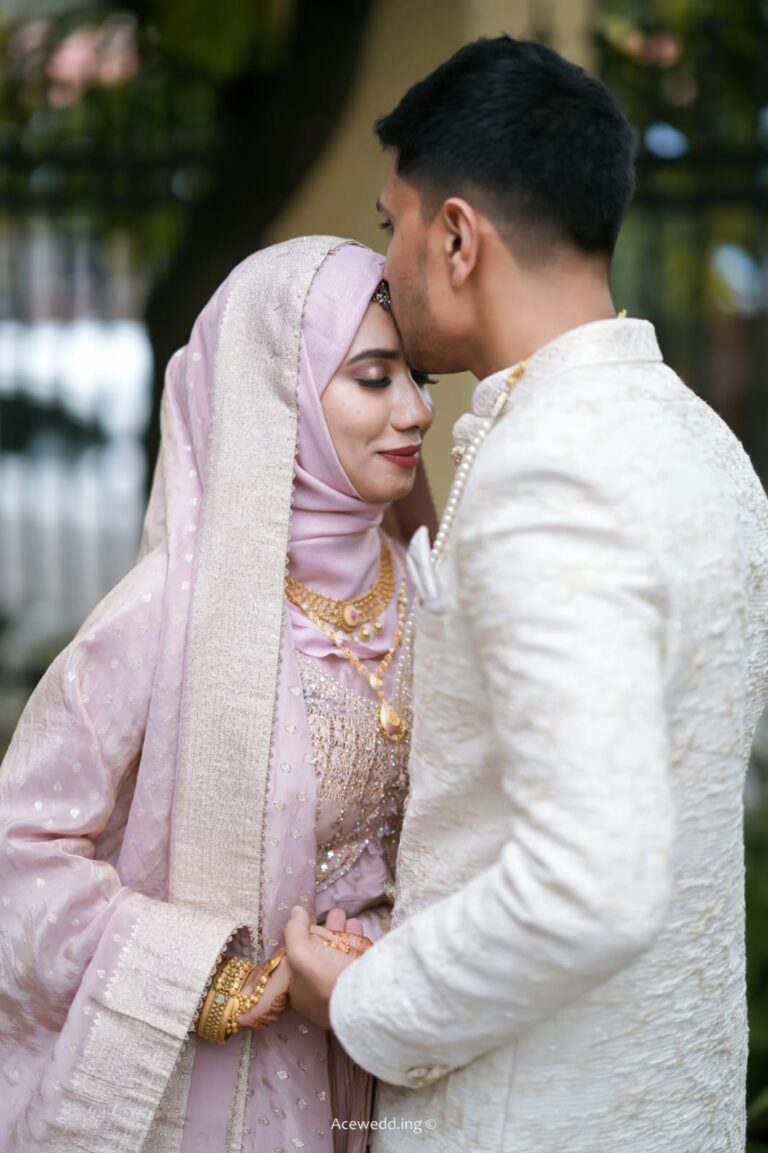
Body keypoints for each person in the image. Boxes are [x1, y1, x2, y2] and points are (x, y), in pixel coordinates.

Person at [284, 37, 768, 1152]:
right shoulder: (700, 441)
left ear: (455, 236)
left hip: (529, 1116)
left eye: (389, 225)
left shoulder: (549, 472)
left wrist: (363, 1005)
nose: (387, 264)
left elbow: (593, 880)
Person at [0, 236, 436, 1152]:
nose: (416, 411)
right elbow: (21, 846)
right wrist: (199, 977)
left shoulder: (430, 596)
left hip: (381, 1066)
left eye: (416, 377)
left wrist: (385, 954)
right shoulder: (171, 610)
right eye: (372, 377)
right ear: (277, 396)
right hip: (219, 1090)